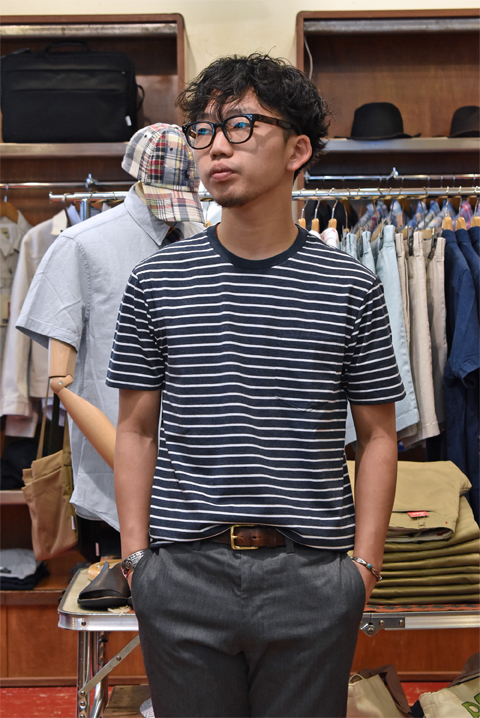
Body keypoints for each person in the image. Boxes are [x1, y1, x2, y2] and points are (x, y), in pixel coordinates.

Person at [107, 54, 405, 718]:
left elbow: (379, 436)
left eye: (241, 125)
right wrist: (137, 561)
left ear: (298, 150)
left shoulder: (351, 286)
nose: (217, 146)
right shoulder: (156, 282)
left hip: (313, 576)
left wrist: (362, 570)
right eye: (203, 130)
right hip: (182, 575)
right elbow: (135, 428)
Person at [16, 123, 204, 552]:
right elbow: (60, 380)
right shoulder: (81, 246)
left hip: (201, 495)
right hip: (112, 496)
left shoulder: (205, 244)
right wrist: (131, 465)